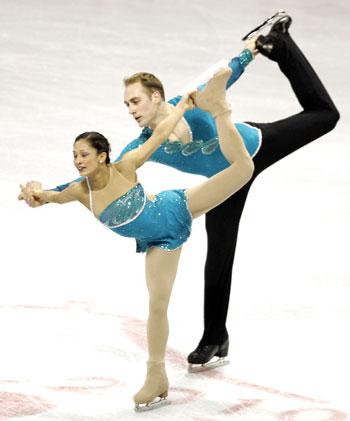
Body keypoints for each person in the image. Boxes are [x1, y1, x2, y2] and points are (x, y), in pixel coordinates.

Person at [19, 12, 340, 372]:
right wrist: (46, 193)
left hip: (257, 146)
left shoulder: (191, 101)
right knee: (219, 253)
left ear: (156, 97)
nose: (130, 110)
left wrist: (255, 48)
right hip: (225, 183)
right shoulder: (146, 143)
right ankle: (215, 338)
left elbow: (229, 71)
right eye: (126, 104)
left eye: (136, 101)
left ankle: (282, 43)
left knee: (326, 116)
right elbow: (100, 175)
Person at [19, 69, 254, 411]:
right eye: (75, 155)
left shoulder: (125, 166)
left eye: (84, 154)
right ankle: (156, 377)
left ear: (102, 156)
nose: (78, 161)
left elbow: (158, 134)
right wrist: (32, 191)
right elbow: (46, 196)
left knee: (243, 169)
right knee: (157, 306)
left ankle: (220, 109)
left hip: (177, 208)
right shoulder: (79, 191)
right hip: (160, 242)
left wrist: (183, 105)